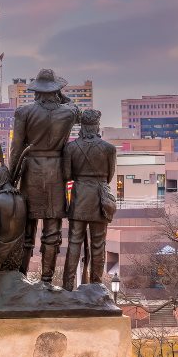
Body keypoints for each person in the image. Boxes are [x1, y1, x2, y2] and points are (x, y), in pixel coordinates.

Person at [9, 68, 80, 287]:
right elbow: (74, 107)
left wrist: (10, 179)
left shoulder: (24, 112)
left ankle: (21, 277)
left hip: (32, 170)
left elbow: (16, 147)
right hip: (57, 171)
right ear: (57, 90)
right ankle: (47, 280)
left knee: (26, 227)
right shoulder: (68, 112)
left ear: (36, 90)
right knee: (53, 230)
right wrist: (61, 95)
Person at [62, 109, 117, 291]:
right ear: (97, 126)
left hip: (79, 197)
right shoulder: (109, 149)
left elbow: (67, 175)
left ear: (82, 127)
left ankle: (68, 285)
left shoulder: (70, 148)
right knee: (98, 243)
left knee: (74, 242)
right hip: (100, 198)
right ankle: (96, 284)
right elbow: (109, 176)